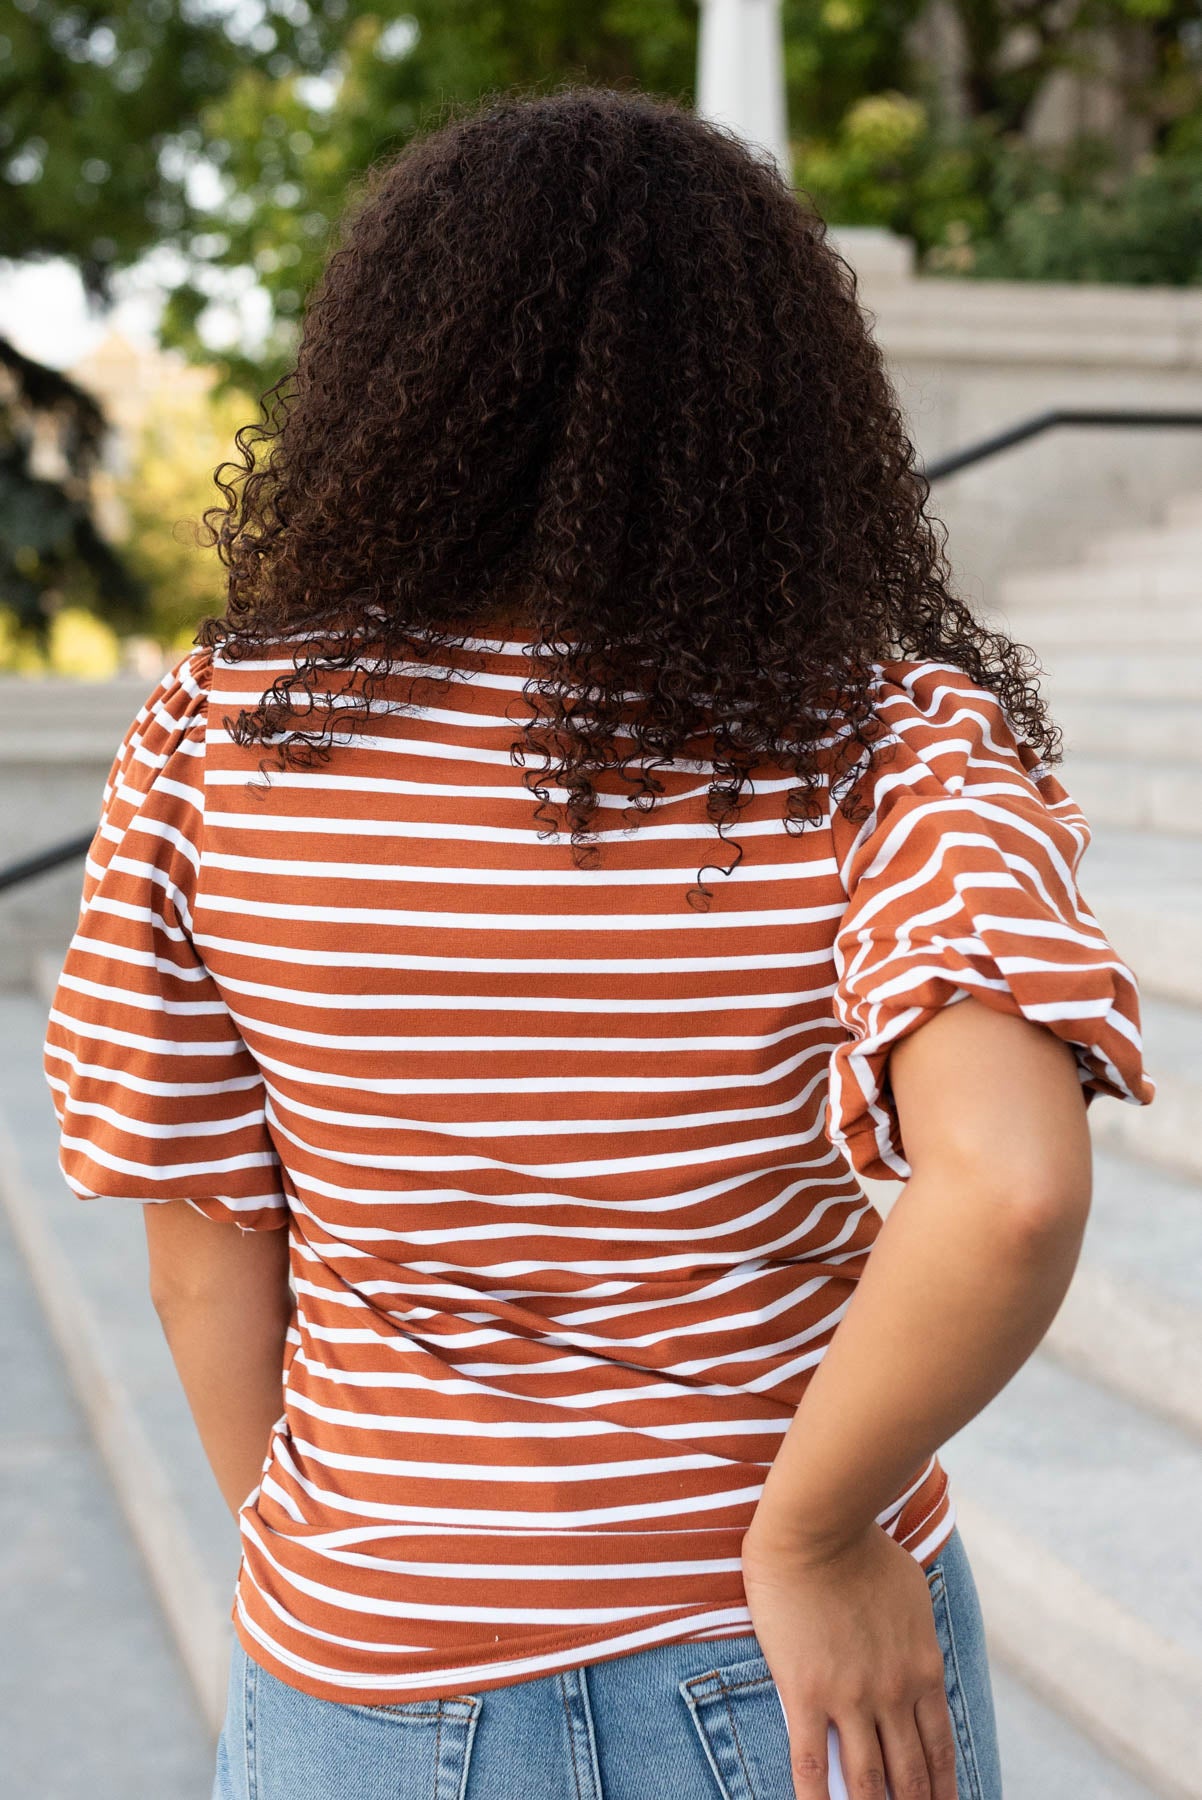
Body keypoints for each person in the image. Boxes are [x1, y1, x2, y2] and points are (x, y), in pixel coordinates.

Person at [42, 83, 1155, 1800]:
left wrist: (348, 1562)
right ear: (778, 394)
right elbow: (1005, 1186)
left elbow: (201, 1237)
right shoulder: (879, 736)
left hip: (361, 1651)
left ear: (396, 382)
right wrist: (811, 1532)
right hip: (780, 1677)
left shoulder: (216, 738)